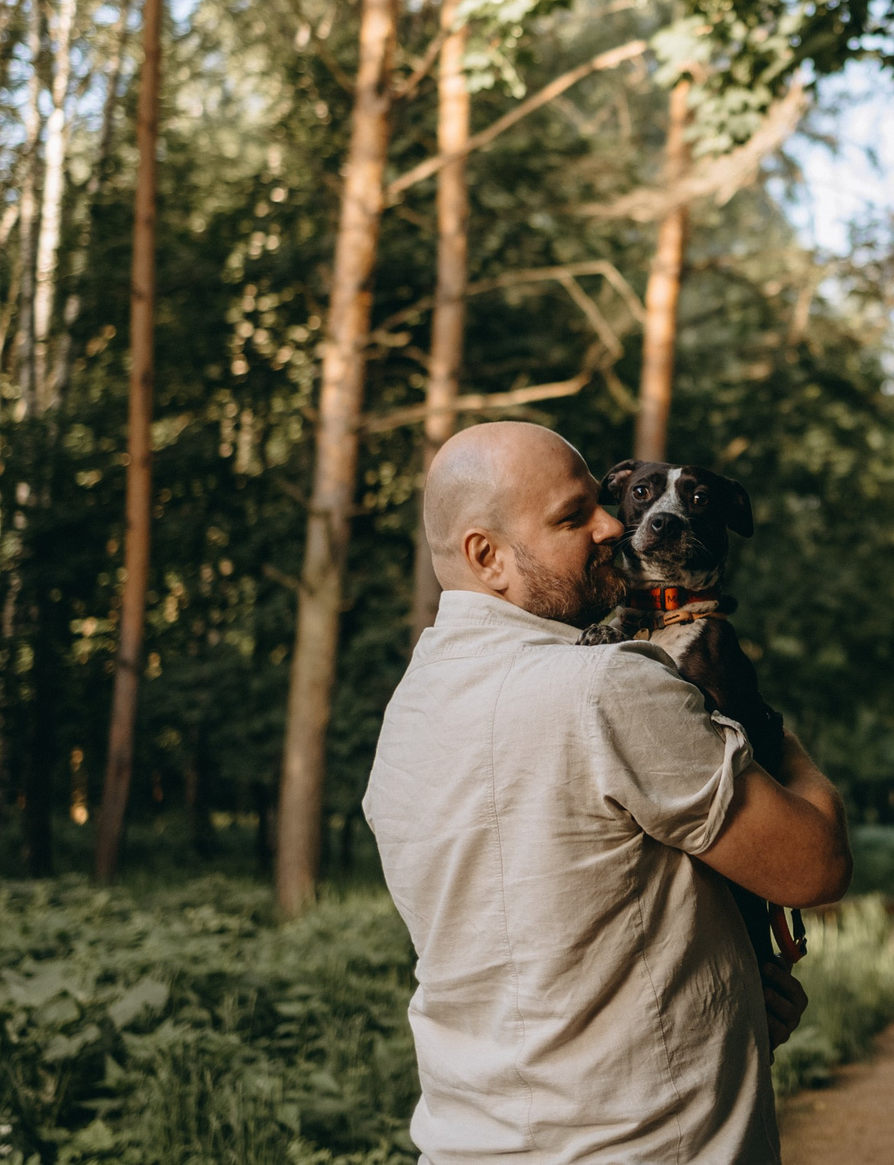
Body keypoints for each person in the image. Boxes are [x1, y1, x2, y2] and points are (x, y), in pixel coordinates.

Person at [365, 420, 852, 1165]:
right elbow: (813, 865)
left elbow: (554, 918)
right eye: (572, 516)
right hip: (643, 1145)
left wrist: (737, 986)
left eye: (602, 504)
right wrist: (768, 726)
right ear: (485, 556)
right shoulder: (611, 686)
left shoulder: (410, 712)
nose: (610, 527)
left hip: (469, 1143)